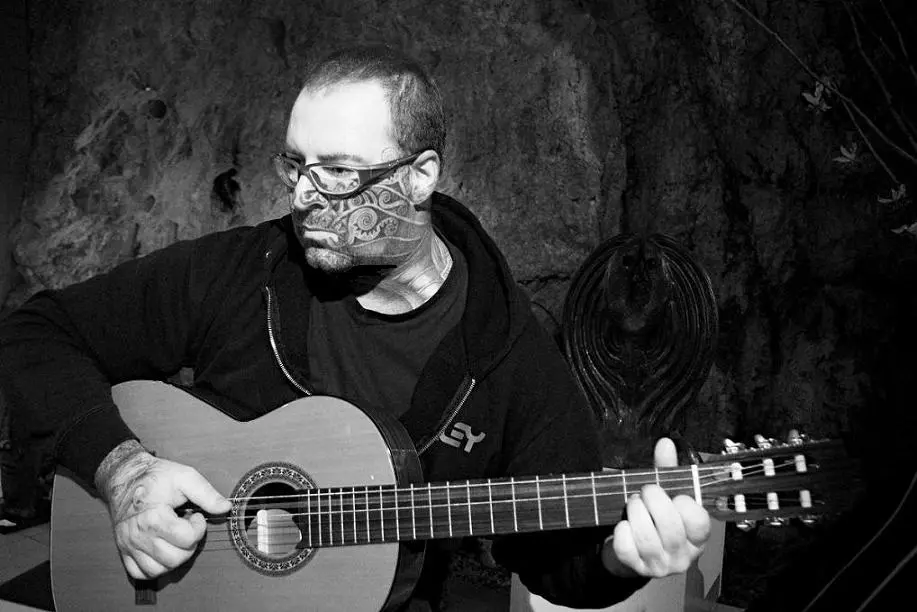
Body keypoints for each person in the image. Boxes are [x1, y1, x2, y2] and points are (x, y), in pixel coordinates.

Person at [0, 45, 709, 610]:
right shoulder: (241, 273)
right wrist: (124, 471)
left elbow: (560, 562)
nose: (304, 197)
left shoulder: (507, 355)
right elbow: (37, 332)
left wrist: (622, 560)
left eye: (338, 171)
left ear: (421, 176)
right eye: (295, 165)